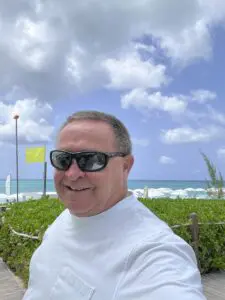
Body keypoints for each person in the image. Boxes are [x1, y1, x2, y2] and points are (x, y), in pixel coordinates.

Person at [23, 110, 206, 300]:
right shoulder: (68, 217)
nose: (72, 174)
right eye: (63, 159)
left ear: (125, 166)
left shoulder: (151, 253)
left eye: (91, 160)